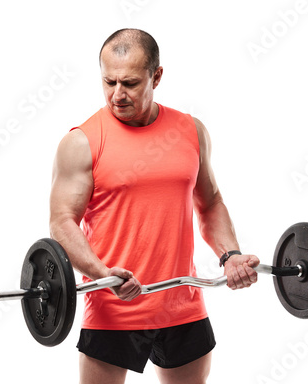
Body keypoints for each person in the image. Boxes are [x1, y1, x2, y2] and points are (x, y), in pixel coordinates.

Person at [49, 28, 259, 384]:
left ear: (156, 76)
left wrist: (231, 255)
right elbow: (62, 223)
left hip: (184, 306)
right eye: (108, 82)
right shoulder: (82, 142)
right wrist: (102, 274)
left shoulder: (190, 130)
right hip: (113, 309)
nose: (117, 95)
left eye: (129, 83)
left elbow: (210, 203)